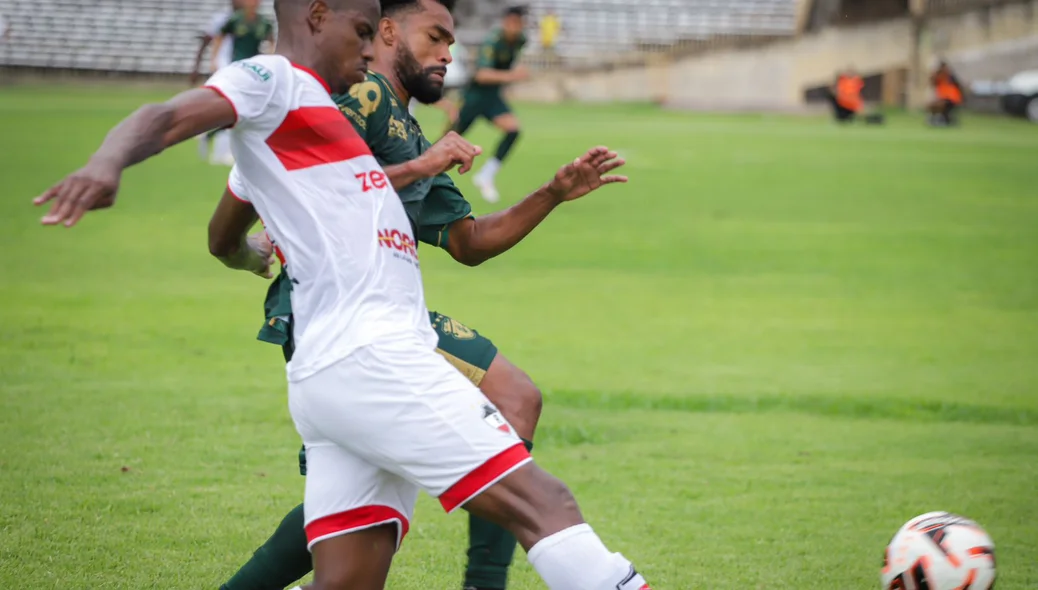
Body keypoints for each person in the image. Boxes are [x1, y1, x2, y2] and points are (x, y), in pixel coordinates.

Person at [32, 1, 649, 589]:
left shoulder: (344, 125)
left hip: (340, 364)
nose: (366, 48)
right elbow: (165, 119)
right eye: (361, 32)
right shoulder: (283, 80)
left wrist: (250, 254)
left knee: (349, 575)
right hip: (366, 349)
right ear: (321, 17)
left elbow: (456, 238)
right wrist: (104, 165)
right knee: (543, 498)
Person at [214, 1, 580, 587]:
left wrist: (552, 193)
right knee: (513, 398)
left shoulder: (407, 129)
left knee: (347, 508)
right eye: (435, 37)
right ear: (387, 31)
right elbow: (306, 168)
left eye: (451, 42)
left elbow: (470, 241)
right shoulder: (364, 99)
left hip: (385, 313)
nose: (447, 54)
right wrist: (267, 225)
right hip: (331, 309)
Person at [452, 5, 529, 203]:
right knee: (449, 140)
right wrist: (512, 76)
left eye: (519, 23)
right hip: (474, 98)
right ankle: (420, 176)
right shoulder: (492, 42)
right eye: (511, 23)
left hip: (493, 98)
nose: (515, 27)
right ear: (505, 23)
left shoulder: (520, 40)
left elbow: (516, 61)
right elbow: (481, 74)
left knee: (513, 130)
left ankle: (486, 175)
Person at [206, 0, 276, 166]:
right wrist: (214, 59)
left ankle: (236, 150)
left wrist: (271, 59)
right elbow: (219, 38)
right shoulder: (235, 19)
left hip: (253, 73)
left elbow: (272, 42)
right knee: (230, 110)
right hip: (235, 70)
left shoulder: (263, 22)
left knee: (250, 113)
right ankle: (219, 150)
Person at [191, 0, 241, 164]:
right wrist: (199, 65)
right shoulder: (224, 19)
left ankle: (209, 134)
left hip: (239, 68)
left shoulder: (251, 20)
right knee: (230, 109)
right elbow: (209, 39)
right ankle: (221, 151)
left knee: (237, 110)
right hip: (225, 66)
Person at [928, 61, 964, 127]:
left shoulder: (950, 77)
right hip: (944, 98)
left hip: (951, 99)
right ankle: (937, 119)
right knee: (933, 105)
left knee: (941, 105)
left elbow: (958, 88)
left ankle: (943, 119)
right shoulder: (939, 78)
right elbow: (932, 82)